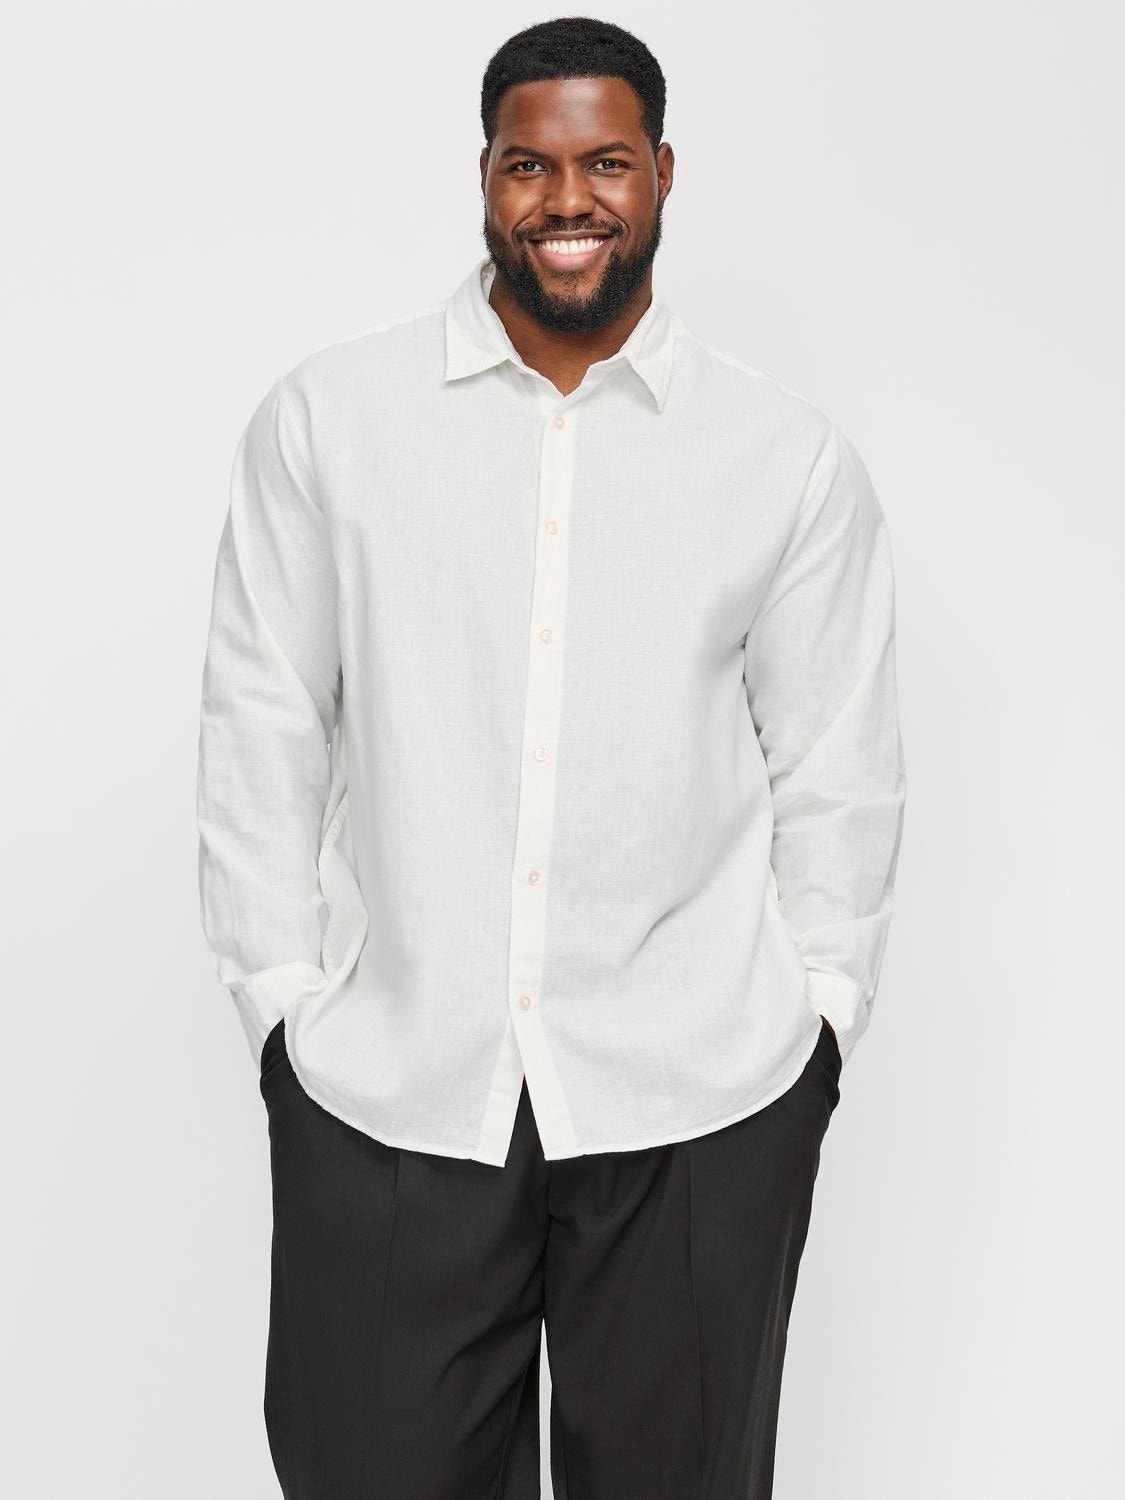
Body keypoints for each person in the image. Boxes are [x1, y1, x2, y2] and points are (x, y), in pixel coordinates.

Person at [196, 16, 906, 1499]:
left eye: (604, 163)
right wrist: (281, 1016)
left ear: (662, 174)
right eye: (530, 165)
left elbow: (835, 773)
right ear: (485, 176)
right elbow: (265, 724)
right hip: (390, 1090)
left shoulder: (783, 459)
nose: (567, 200)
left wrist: (817, 1037)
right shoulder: (332, 422)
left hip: (700, 1098)